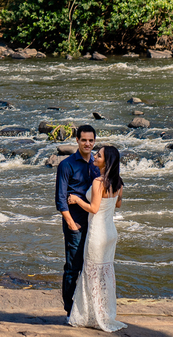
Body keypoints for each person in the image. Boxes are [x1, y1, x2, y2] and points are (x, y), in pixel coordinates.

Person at [66, 144, 126, 332]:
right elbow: (118, 205)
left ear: (106, 162)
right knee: (105, 274)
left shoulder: (99, 182)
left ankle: (91, 316)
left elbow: (93, 208)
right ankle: (104, 313)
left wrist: (76, 200)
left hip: (97, 233)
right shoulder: (119, 182)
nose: (95, 156)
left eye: (98, 155)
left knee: (91, 273)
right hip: (110, 233)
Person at [55, 125, 99, 317]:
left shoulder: (97, 164)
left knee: (91, 267)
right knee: (73, 267)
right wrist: (71, 224)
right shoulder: (67, 165)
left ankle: (86, 307)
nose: (87, 144)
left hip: (95, 223)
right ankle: (69, 309)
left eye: (90, 140)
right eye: (84, 140)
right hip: (76, 223)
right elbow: (60, 199)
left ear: (94, 141)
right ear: (77, 141)